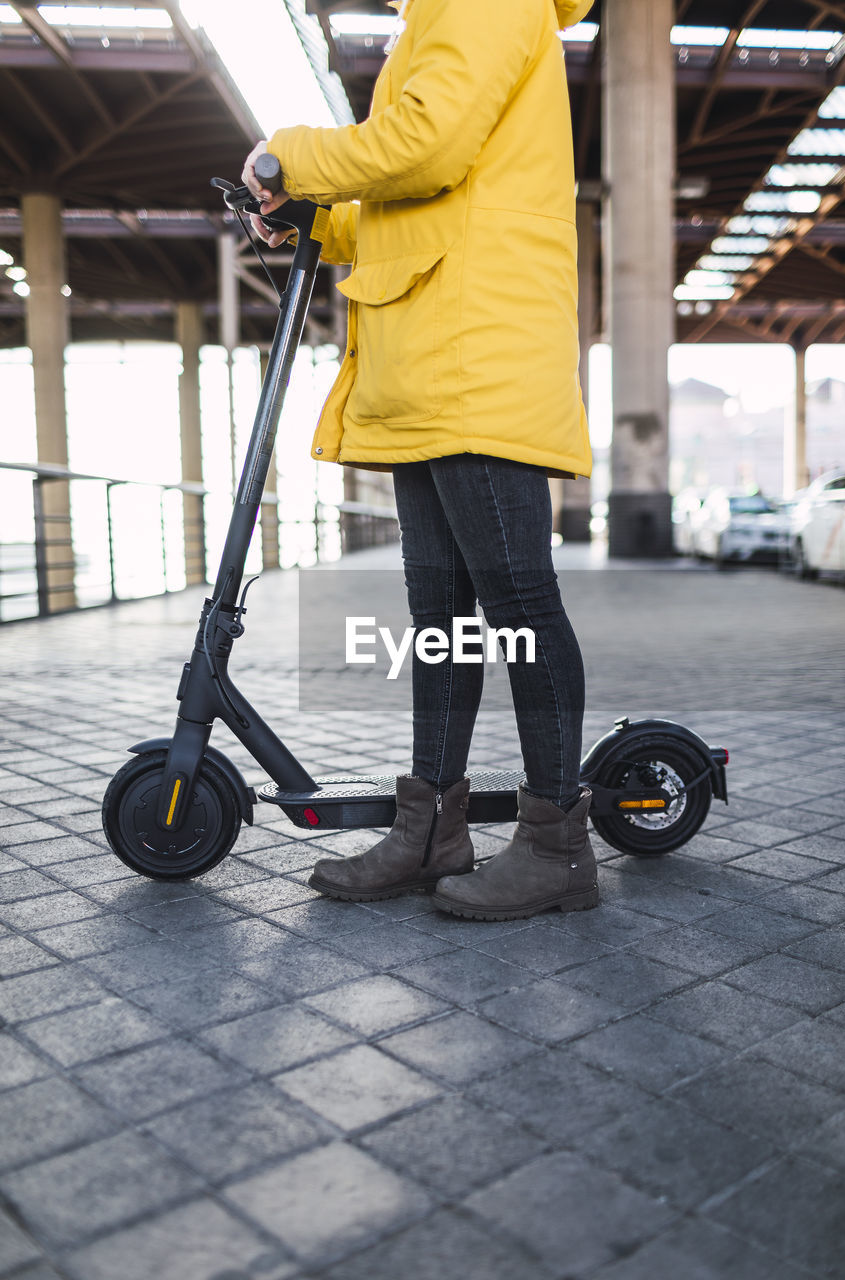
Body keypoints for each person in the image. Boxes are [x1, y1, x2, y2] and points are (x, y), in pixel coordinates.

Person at [243, 0, 598, 921]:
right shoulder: (434, 13)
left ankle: (557, 846)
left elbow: (427, 144)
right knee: (439, 614)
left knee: (517, 606)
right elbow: (419, 202)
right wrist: (312, 223)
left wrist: (293, 152)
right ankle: (431, 827)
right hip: (429, 351)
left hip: (474, 354)